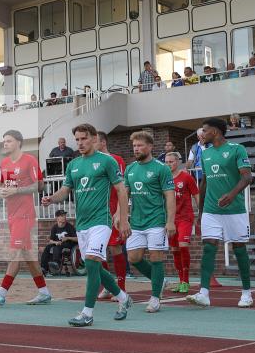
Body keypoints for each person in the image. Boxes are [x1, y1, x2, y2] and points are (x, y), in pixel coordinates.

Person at [41, 123, 133, 326]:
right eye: (77, 140)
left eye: (84, 138)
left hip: (101, 221)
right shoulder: (73, 165)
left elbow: (122, 190)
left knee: (91, 262)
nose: (80, 143)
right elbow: (65, 191)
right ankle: (124, 299)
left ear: (93, 139)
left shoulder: (106, 161)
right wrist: (52, 198)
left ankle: (87, 313)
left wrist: (124, 218)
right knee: (95, 268)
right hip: (82, 224)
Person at [186, 117, 254, 309]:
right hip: (211, 210)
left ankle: (247, 293)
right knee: (209, 247)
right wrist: (200, 210)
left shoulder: (236, 149)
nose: (202, 134)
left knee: (239, 248)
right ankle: (204, 293)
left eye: (205, 131)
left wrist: (232, 195)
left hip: (235, 209)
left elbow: (247, 176)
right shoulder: (205, 153)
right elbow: (205, 182)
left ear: (215, 132)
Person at [0, 130, 51, 306]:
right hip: (11, 214)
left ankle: (1, 292)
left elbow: (40, 185)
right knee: (28, 255)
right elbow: (2, 185)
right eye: (4, 141)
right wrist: (1, 192)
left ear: (19, 143)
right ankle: (44, 292)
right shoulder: (5, 163)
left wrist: (17, 190)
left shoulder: (30, 160)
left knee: (15, 252)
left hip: (25, 213)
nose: (5, 144)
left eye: (9, 141)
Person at [123, 132, 176, 313]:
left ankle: (155, 299)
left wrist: (170, 221)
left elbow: (170, 196)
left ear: (150, 146)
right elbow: (125, 195)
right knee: (134, 258)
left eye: (140, 145)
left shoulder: (162, 168)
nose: (136, 148)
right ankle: (159, 281)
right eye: (134, 146)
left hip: (156, 221)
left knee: (156, 259)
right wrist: (119, 215)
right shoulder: (130, 169)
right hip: (136, 222)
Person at [95, 132, 129, 300]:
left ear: (102, 142)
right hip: (97, 213)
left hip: (113, 210)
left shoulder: (116, 159)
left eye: (94, 141)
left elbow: (121, 188)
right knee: (98, 251)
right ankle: (109, 286)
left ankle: (120, 288)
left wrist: (119, 212)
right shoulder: (91, 161)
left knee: (115, 248)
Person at [165, 152, 199, 294]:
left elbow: (197, 194)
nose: (169, 164)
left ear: (178, 162)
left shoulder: (186, 177)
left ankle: (186, 281)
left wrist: (201, 214)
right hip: (171, 220)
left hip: (185, 217)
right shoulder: (164, 179)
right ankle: (180, 281)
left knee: (183, 245)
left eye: (171, 162)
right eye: (166, 162)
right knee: (174, 250)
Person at [41, 210, 77, 275]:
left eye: (65, 215)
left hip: (68, 245)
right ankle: (44, 268)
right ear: (57, 218)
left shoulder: (69, 226)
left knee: (57, 247)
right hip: (58, 244)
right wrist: (55, 242)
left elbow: (77, 239)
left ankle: (56, 263)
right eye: (62, 216)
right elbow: (50, 240)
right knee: (48, 247)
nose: (64, 217)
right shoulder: (54, 227)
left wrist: (67, 238)